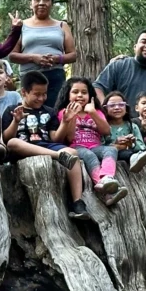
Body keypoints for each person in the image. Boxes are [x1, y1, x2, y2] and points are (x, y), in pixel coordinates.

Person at [2, 71, 90, 220]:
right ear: (24, 92)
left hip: (45, 145)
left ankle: (78, 202)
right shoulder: (12, 110)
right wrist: (15, 121)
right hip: (23, 148)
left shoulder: (49, 112)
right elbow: (6, 139)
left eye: (44, 94)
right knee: (13, 142)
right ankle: (58, 156)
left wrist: (65, 122)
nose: (42, 98)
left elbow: (56, 138)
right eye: (37, 94)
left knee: (72, 153)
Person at [54, 78, 124, 206]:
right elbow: (69, 138)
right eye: (75, 92)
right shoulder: (64, 112)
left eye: (84, 92)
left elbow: (106, 131)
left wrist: (92, 112)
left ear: (90, 95)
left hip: (96, 146)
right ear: (68, 95)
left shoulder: (96, 112)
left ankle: (107, 177)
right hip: (77, 147)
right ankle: (101, 184)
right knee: (89, 155)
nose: (80, 95)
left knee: (111, 149)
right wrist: (72, 116)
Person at [8, 0, 76, 104]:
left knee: (55, 113)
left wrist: (57, 59)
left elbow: (73, 55)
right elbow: (12, 55)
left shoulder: (62, 25)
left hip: (55, 77)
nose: (41, 3)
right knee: (31, 115)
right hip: (30, 78)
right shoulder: (21, 25)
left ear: (51, 3)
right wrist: (34, 58)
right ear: (31, 4)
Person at [93, 29, 146, 110]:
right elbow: (97, 87)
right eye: (144, 41)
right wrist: (105, 109)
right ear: (135, 47)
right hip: (124, 124)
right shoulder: (119, 66)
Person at [103, 90, 146, 173]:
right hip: (112, 156)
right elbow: (99, 146)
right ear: (105, 109)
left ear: (126, 108)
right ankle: (132, 158)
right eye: (112, 105)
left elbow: (142, 147)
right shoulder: (103, 127)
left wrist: (132, 143)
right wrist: (116, 144)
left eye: (121, 105)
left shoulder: (132, 126)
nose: (117, 108)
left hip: (132, 152)